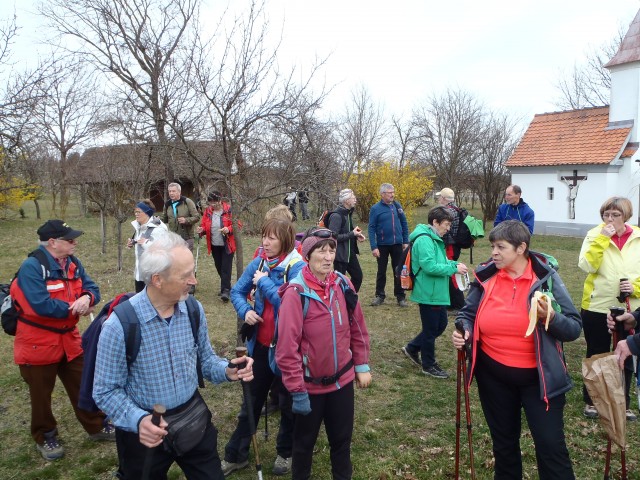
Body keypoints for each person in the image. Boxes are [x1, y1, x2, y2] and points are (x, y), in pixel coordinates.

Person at [93, 232, 254, 480]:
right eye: (185, 275)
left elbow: (205, 360)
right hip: (145, 434)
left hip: (193, 420)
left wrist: (227, 370)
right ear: (157, 279)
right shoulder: (120, 325)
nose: (194, 281)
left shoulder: (192, 309)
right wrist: (138, 420)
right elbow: (105, 390)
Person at [452, 220, 581, 480]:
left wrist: (552, 318)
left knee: (550, 446)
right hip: (494, 377)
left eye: (501, 247)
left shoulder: (546, 278)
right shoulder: (486, 276)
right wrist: (463, 328)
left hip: (540, 380)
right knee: (504, 445)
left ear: (521, 247)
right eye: (492, 246)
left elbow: (574, 328)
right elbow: (467, 312)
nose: (494, 252)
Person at [10, 219, 113, 461]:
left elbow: (92, 287)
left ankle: (96, 426)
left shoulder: (72, 262)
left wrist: (87, 298)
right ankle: (45, 435)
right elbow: (40, 305)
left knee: (83, 383)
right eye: (69, 239)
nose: (74, 242)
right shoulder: (31, 267)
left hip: (69, 339)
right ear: (53, 243)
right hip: (37, 343)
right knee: (41, 394)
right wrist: (75, 308)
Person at [277, 227, 371, 479]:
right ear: (307, 255)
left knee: (341, 444)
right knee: (303, 446)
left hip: (342, 383)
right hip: (309, 389)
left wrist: (361, 365)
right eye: (322, 251)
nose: (328, 256)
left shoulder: (343, 284)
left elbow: (358, 327)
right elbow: (286, 350)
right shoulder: (295, 294)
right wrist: (297, 391)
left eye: (332, 250)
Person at [222, 218, 305, 476]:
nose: (265, 243)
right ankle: (237, 455)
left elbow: (292, 308)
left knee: (289, 403)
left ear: (286, 240)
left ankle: (285, 453)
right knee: (251, 401)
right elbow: (236, 291)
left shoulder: (297, 267)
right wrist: (245, 310)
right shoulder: (259, 262)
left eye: (272, 238)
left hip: (287, 349)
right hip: (260, 345)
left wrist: (266, 283)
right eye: (264, 236)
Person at [578, 196, 640, 421]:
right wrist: (602, 240)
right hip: (597, 304)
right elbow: (587, 265)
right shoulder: (595, 234)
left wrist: (636, 287)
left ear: (626, 216)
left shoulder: (638, 237)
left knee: (627, 351)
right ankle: (593, 400)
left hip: (630, 307)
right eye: (606, 215)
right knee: (597, 352)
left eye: (616, 215)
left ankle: (623, 402)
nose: (610, 219)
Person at [402, 206, 468, 378]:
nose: (448, 228)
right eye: (446, 224)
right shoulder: (425, 240)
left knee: (440, 325)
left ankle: (412, 347)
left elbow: (441, 260)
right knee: (431, 330)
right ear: (435, 222)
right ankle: (428, 364)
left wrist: (454, 264)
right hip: (428, 292)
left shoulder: (435, 238)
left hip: (436, 291)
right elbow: (429, 266)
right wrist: (453, 269)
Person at [368, 183, 409, 307]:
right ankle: (379, 295)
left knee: (398, 270)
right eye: (389, 192)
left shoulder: (397, 206)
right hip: (382, 245)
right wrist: (374, 247)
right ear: (382, 194)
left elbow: (404, 223)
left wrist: (405, 240)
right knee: (381, 271)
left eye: (393, 192)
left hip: (397, 244)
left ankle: (400, 296)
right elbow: (371, 228)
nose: (392, 195)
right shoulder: (375, 208)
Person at [196, 191, 236, 302]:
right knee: (219, 267)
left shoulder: (228, 210)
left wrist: (228, 229)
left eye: (214, 202)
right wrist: (201, 230)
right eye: (211, 203)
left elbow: (237, 224)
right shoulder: (208, 211)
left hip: (227, 244)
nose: (212, 205)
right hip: (214, 244)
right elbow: (204, 225)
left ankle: (225, 291)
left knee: (225, 268)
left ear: (220, 200)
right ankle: (226, 286)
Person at [328, 188, 366, 292]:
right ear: (346, 201)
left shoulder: (348, 213)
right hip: (340, 255)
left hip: (350, 254)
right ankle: (339, 302)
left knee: (358, 277)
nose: (355, 200)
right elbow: (333, 237)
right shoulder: (336, 216)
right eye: (353, 197)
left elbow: (348, 230)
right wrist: (352, 234)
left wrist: (356, 235)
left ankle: (349, 298)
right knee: (339, 282)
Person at [127, 199, 168, 293]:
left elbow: (163, 251)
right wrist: (133, 242)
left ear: (147, 213)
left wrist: (146, 244)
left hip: (153, 275)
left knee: (152, 302)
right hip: (140, 273)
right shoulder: (140, 226)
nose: (136, 214)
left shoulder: (159, 229)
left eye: (139, 212)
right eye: (135, 212)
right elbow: (142, 240)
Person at [435, 187, 466, 309]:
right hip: (454, 245)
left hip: (450, 246)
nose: (438, 199)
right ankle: (451, 302)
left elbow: (445, 232)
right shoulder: (456, 208)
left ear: (443, 198)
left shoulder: (447, 212)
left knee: (452, 272)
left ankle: (458, 304)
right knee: (449, 272)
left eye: (439, 197)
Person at [162, 182, 201, 251]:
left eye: (173, 191)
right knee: (174, 260)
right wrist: (157, 219)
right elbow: (165, 219)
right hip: (173, 238)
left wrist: (186, 220)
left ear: (179, 192)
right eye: (169, 191)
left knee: (186, 260)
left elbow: (197, 217)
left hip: (186, 237)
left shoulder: (187, 202)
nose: (171, 193)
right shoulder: (167, 204)